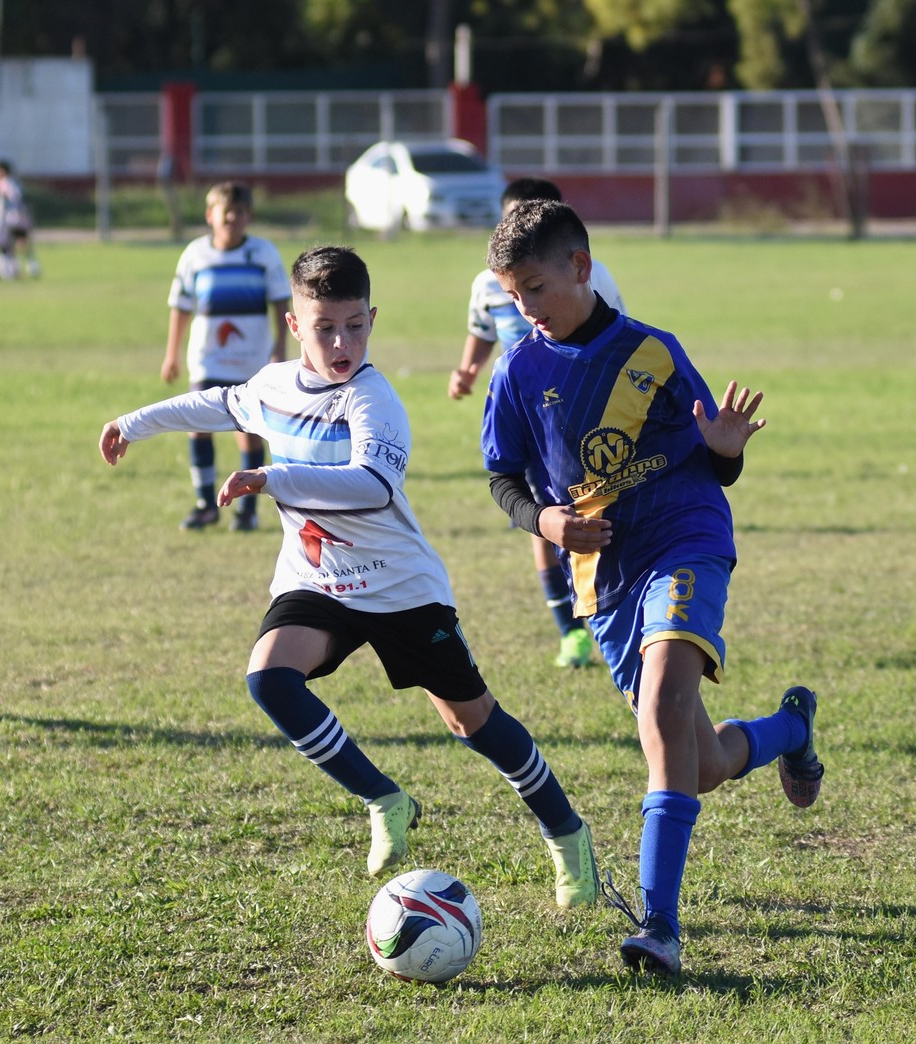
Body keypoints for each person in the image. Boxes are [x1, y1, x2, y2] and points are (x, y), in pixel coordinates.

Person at [97, 245, 599, 909]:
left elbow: (369, 485)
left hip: (400, 589)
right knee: (269, 679)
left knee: (471, 723)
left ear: (372, 318)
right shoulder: (273, 385)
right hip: (318, 583)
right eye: (326, 327)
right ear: (294, 323)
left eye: (356, 325)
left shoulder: (373, 399)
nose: (342, 342)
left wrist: (269, 478)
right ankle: (385, 799)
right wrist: (132, 423)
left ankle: (567, 836)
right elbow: (216, 404)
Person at [480, 200, 822, 977]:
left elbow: (715, 456)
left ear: (580, 265)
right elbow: (502, 477)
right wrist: (546, 524)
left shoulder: (654, 354)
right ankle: (789, 731)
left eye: (533, 288)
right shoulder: (519, 370)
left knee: (667, 704)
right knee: (696, 763)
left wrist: (728, 452)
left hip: (685, 541)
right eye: (510, 296)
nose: (524, 309)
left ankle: (659, 924)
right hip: (603, 576)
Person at [450, 177, 627, 669]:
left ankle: (614, 602)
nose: (523, 305)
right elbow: (481, 330)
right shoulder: (489, 284)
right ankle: (571, 631)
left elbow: (619, 336)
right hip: (524, 414)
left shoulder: (595, 276)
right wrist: (467, 368)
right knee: (541, 522)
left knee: (597, 515)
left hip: (582, 414)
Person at [161, 181, 291, 532]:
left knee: (248, 433)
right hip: (208, 357)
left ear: (249, 217)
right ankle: (205, 504)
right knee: (198, 427)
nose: (232, 218)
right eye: (225, 212)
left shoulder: (263, 254)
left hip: (252, 359)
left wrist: (281, 347)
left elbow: (281, 303)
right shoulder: (195, 255)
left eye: (240, 212)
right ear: (210, 215)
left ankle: (246, 510)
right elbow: (181, 307)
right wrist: (171, 353)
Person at [0, 160, 39, 278]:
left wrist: (5, 197)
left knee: (20, 242)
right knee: (8, 246)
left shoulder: (9, 182)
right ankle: (12, 270)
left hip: (13, 217)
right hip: (2, 218)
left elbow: (16, 198)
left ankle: (31, 266)